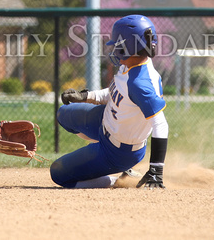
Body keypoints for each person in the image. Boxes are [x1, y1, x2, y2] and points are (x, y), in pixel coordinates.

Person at [50, 14, 168, 189]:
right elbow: (117, 92)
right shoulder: (133, 63)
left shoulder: (140, 83)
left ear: (130, 46)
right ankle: (99, 157)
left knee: (58, 173)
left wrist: (156, 169)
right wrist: (86, 96)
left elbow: (160, 124)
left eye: (119, 44)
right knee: (63, 113)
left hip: (118, 152)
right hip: (106, 120)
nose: (115, 49)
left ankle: (119, 180)